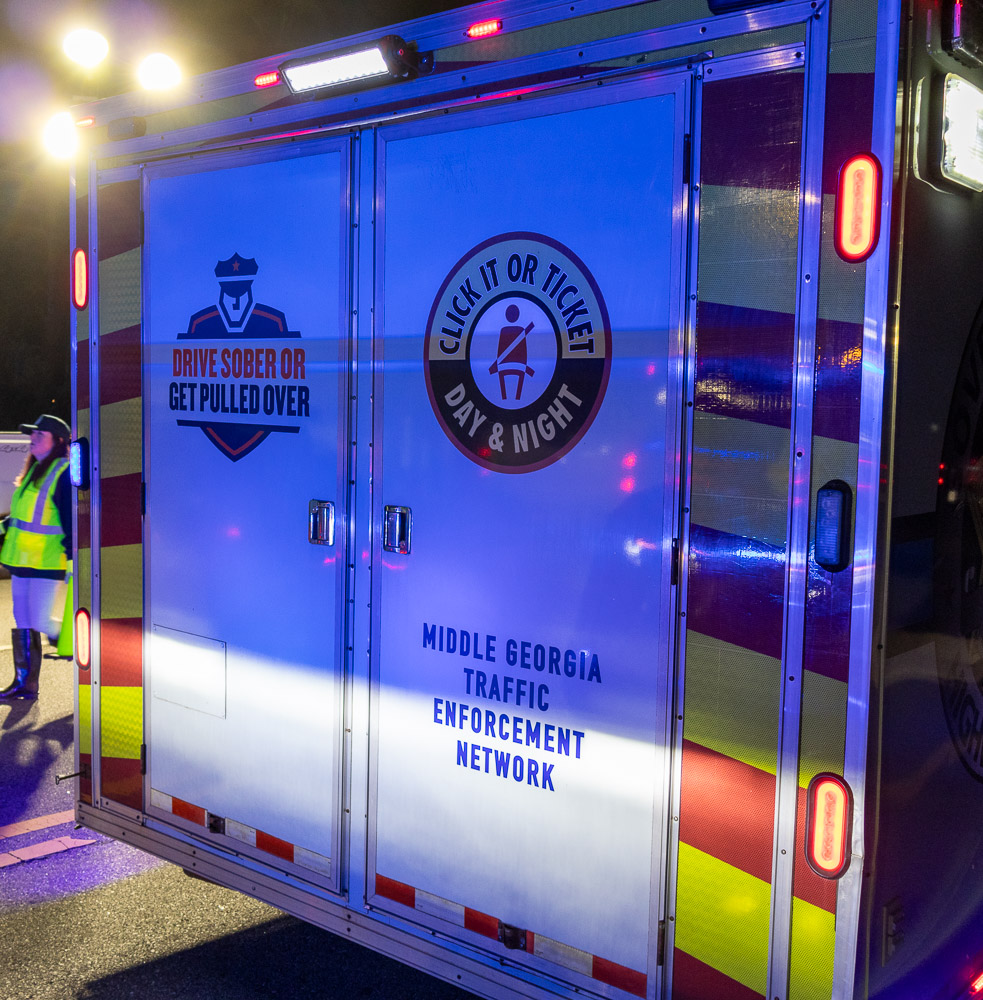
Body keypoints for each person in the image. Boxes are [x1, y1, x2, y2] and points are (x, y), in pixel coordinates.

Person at [0, 415, 72, 699]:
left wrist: (72, 561)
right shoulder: (34, 470)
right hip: (22, 561)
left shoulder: (62, 472)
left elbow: (70, 521)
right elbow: (21, 517)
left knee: (40, 622)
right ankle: (25, 683)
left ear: (59, 441)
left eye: (40, 434)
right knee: (23, 621)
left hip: (45, 562)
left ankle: (79, 643)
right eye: (32, 434)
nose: (33, 438)